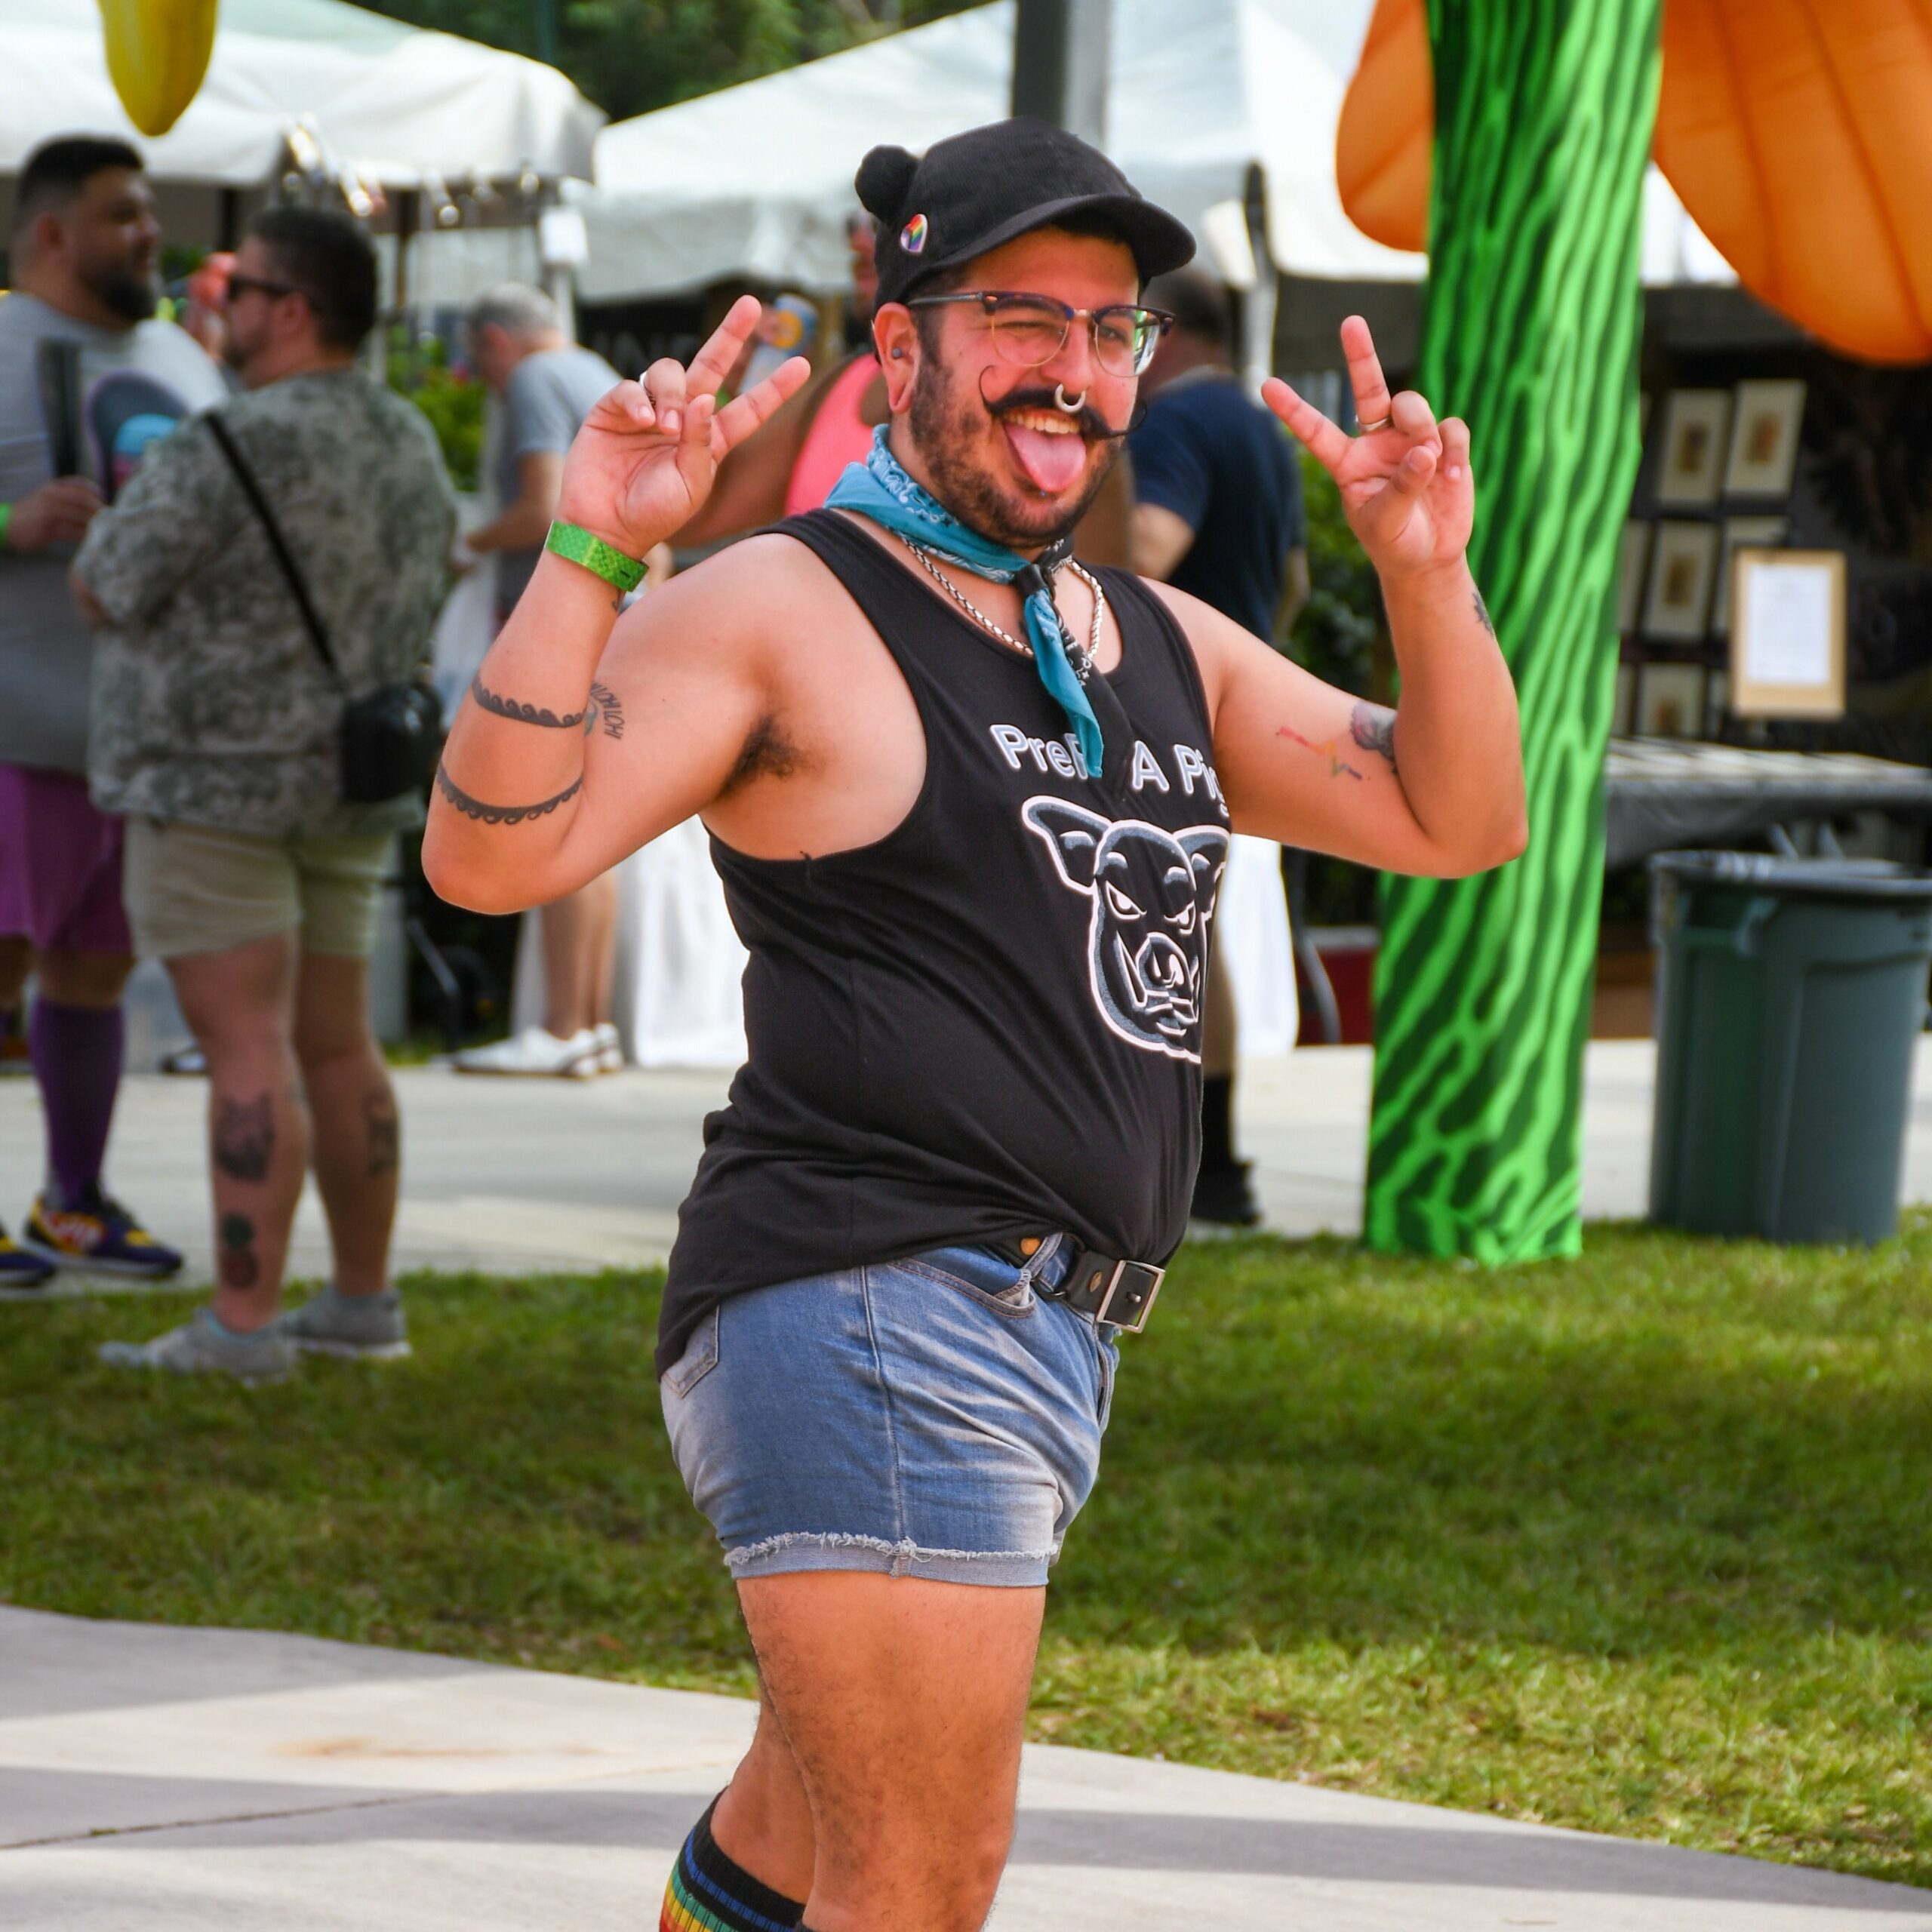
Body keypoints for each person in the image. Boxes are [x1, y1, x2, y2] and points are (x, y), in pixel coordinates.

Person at [424, 118, 1524, 1932]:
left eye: (1109, 329)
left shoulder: (1148, 639)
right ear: (900, 341)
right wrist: (592, 554)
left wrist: (1421, 569)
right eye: (1020, 317)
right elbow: (487, 856)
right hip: (874, 1298)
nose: (1070, 369)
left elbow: (1454, 816)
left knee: (797, 1839)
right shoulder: (786, 601)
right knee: (918, 1879)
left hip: (1041, 1332)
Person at [72, 205, 456, 1380]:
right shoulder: (407, 438)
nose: (217, 301)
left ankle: (242, 1325)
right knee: (340, 1048)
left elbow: (103, 582)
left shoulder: (224, 442)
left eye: (236, 288)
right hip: (355, 782)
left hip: (214, 787)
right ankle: (361, 1304)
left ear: (290, 311)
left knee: (245, 1047)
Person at [0, 135, 228, 1289]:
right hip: (13, 732)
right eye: (125, 213)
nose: (151, 233)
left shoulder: (182, 356)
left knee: (91, 973)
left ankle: (72, 1205)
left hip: (139, 741)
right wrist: (10, 525)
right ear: (52, 232)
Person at [1128, 266, 1310, 1227]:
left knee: (1168, 933)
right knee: (1192, 930)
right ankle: (1215, 1165)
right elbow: (1296, 580)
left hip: (1162, 708)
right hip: (1222, 710)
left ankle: (1202, 1169)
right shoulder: (1257, 426)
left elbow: (1145, 548)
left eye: (1127, 329)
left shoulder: (1176, 423)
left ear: (1167, 331)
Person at [453, 283, 632, 1076]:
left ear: (496, 340)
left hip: (560, 626)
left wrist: (467, 544)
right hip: (616, 615)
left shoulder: (533, 378)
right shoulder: (595, 371)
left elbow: (540, 508)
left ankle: (561, 1030)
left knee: (553, 816)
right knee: (592, 829)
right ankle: (589, 1026)